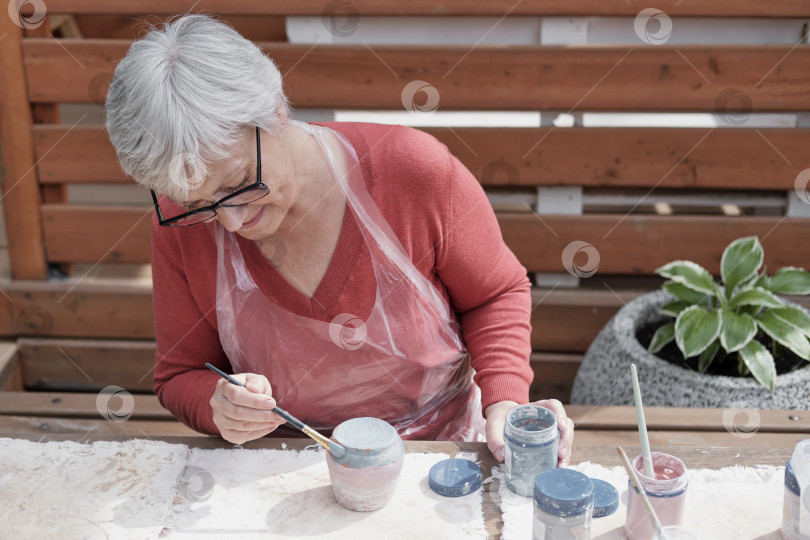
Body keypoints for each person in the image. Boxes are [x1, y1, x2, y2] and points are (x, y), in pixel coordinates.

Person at [105, 14, 574, 465]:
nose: (229, 221)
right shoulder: (179, 225)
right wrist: (219, 407)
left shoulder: (412, 171)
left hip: (440, 451)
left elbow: (495, 294)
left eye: (240, 182)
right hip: (281, 462)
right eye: (200, 204)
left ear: (275, 111)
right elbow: (178, 375)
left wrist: (505, 403)